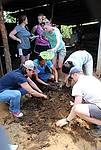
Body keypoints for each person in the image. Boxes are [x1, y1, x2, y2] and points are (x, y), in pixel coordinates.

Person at [56, 66, 101, 135]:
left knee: (77, 110)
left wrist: (67, 120)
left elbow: (76, 107)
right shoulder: (92, 78)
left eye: (72, 77)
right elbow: (91, 96)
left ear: (75, 74)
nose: (73, 80)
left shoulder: (78, 85)